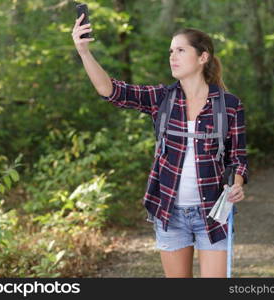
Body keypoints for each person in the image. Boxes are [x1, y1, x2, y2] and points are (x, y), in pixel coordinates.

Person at [72, 14, 248, 278]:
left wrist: (236, 184)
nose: (172, 57)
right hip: (170, 212)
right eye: (170, 51)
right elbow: (111, 91)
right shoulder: (161, 98)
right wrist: (84, 52)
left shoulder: (229, 105)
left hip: (213, 213)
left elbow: (237, 158)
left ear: (203, 57)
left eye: (180, 50)